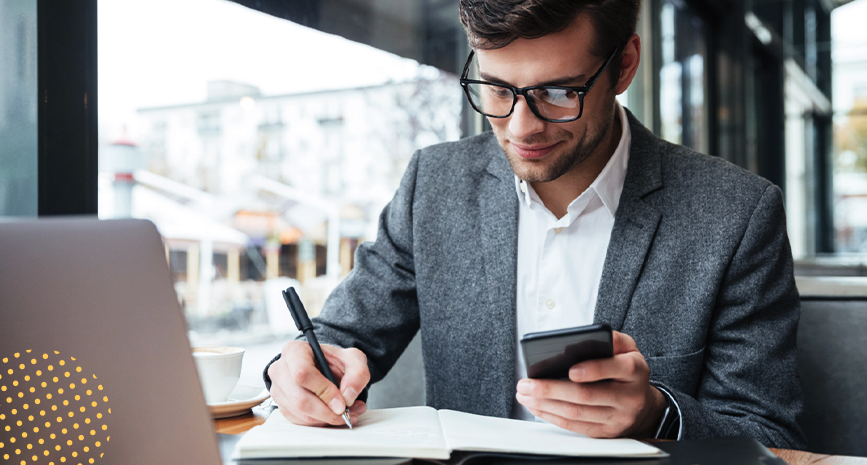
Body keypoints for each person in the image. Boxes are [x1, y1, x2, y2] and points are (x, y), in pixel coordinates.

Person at [264, 0, 805, 448]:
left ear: (625, 65)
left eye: (558, 92)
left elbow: (768, 437)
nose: (521, 127)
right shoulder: (435, 183)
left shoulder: (735, 214)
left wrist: (656, 414)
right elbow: (340, 338)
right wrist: (301, 371)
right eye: (498, 89)